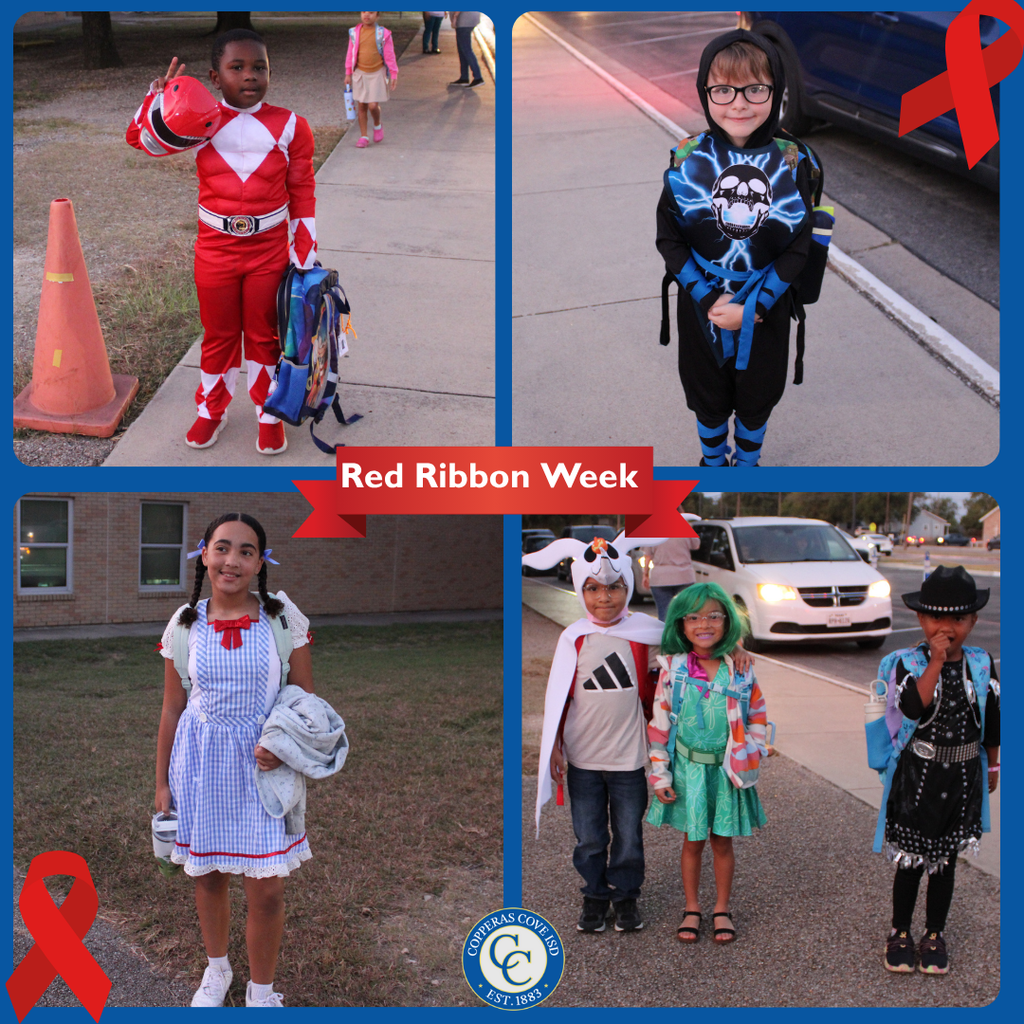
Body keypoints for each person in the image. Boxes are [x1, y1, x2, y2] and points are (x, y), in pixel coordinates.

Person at [126, 29, 318, 456]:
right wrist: (155, 101)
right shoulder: (197, 119)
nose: (250, 76)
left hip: (269, 250)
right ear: (215, 76)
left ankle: (270, 413)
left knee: (266, 336)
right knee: (219, 334)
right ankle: (212, 409)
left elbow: (302, 189)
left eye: (260, 67)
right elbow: (139, 141)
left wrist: (305, 248)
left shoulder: (291, 124)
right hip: (215, 248)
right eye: (237, 67)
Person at [155, 513, 315, 1006]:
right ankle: (218, 971)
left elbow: (304, 698)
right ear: (203, 554)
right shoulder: (185, 624)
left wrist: (281, 745)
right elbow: (171, 707)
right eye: (222, 547)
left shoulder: (282, 618)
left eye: (247, 551)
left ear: (260, 562)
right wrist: (161, 784)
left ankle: (261, 992)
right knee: (209, 877)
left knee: (266, 891)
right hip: (200, 767)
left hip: (265, 770)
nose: (232, 559)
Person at [656, 30, 819, 467]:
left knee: (758, 394)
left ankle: (747, 464)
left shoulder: (793, 161)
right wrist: (709, 299)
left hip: (766, 302)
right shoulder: (688, 159)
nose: (739, 103)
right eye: (723, 90)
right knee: (705, 392)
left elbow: (800, 242)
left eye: (755, 89)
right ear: (705, 92)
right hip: (700, 302)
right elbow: (669, 238)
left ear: (776, 91)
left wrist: (756, 306)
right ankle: (712, 462)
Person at [525, 532, 665, 933]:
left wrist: (735, 648)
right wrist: (553, 746)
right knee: (588, 837)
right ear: (579, 589)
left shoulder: (646, 633)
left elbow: (695, 646)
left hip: (629, 760)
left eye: (615, 588)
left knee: (628, 835)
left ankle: (625, 896)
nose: (605, 598)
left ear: (630, 585)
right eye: (594, 589)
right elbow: (558, 698)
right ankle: (594, 894)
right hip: (583, 759)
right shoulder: (573, 638)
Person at [875, 566, 999, 975]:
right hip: (917, 776)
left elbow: (992, 719)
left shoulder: (981, 664)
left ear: (973, 621)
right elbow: (913, 707)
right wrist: (937, 660)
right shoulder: (906, 662)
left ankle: (934, 934)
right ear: (921, 619)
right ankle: (900, 932)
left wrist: (993, 763)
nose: (947, 627)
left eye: (958, 619)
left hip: (962, 777)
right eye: (936, 618)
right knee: (910, 861)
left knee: (944, 862)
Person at [647, 583, 768, 944]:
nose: (704, 623)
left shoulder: (741, 670)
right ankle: (692, 907)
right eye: (694, 617)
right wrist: (660, 775)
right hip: (688, 772)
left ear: (728, 621)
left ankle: (721, 908)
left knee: (722, 841)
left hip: (727, 771)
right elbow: (659, 726)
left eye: (715, 615)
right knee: (693, 841)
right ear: (680, 626)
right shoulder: (673, 670)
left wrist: (756, 749)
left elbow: (758, 714)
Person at [345, 12, 399, 149]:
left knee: (373, 105)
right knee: (362, 106)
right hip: (360, 73)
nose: (366, 15)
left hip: (376, 73)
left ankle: (377, 124)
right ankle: (364, 136)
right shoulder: (354, 33)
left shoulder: (383, 34)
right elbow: (350, 54)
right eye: (363, 11)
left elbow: (389, 55)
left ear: (378, 15)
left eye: (371, 11)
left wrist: (393, 73)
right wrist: (348, 73)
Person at [642, 515, 700, 621]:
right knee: (685, 614)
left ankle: (666, 636)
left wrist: (645, 574)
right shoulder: (685, 525)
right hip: (684, 576)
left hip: (660, 578)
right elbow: (696, 545)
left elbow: (648, 555)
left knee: (664, 614)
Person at [448, 12, 485, 87]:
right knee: (462, 50)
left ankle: (478, 77)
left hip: (464, 20)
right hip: (465, 19)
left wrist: (455, 16)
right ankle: (464, 77)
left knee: (466, 49)